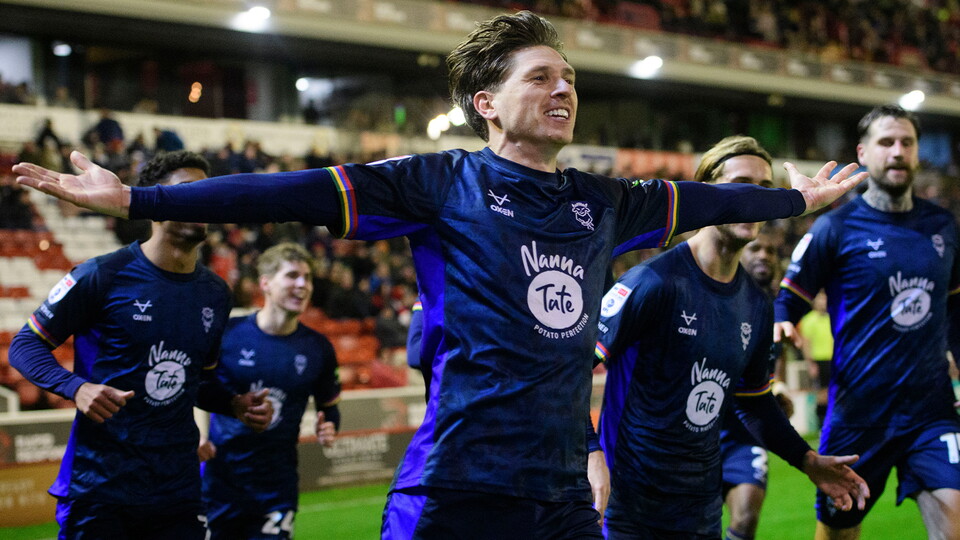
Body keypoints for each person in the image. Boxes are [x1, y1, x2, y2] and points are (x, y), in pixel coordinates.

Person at [14, 11, 867, 539]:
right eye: (541, 78)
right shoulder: (437, 184)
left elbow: (703, 199)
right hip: (458, 484)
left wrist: (792, 203)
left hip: (562, 492)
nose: (563, 88)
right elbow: (289, 192)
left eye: (568, 78)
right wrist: (130, 194)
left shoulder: (605, 201)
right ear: (487, 103)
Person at [594, 135, 868, 539]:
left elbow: (753, 400)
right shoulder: (651, 283)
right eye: (740, 183)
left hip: (701, 510)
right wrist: (586, 455)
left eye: (762, 190)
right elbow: (571, 370)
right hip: (626, 509)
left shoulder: (756, 304)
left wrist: (806, 459)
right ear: (705, 193)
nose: (752, 199)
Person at [7, 150, 273, 539]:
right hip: (102, 488)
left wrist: (232, 403)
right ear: (154, 202)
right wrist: (76, 387)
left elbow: (196, 381)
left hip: (178, 490)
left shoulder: (216, 293)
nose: (202, 201)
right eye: (187, 191)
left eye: (207, 192)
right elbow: (24, 346)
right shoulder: (101, 275)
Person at [774, 104, 960, 540]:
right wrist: (781, 327)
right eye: (886, 142)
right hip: (859, 414)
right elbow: (790, 299)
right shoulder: (835, 228)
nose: (897, 151)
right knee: (839, 533)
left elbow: (955, 304)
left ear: (916, 153)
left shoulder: (944, 225)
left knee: (952, 525)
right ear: (864, 151)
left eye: (907, 142)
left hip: (930, 410)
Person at [198, 242, 341, 540]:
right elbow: (199, 390)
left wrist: (329, 425)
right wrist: (199, 434)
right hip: (218, 480)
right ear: (265, 283)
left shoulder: (318, 348)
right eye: (291, 276)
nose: (302, 284)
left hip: (276, 485)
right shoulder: (228, 334)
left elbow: (330, 406)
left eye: (307, 278)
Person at [719, 224, 792, 540]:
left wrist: (778, 387)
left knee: (747, 517)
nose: (764, 256)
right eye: (756, 249)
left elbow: (775, 359)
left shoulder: (777, 308)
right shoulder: (717, 295)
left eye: (771, 251)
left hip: (746, 432)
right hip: (699, 429)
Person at [798, 291, 833, 429]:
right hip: (819, 360)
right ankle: (821, 424)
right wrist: (810, 363)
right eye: (820, 299)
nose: (823, 302)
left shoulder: (832, 317)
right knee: (822, 394)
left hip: (834, 360)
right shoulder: (808, 320)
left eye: (825, 299)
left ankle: (832, 423)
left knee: (834, 393)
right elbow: (806, 343)